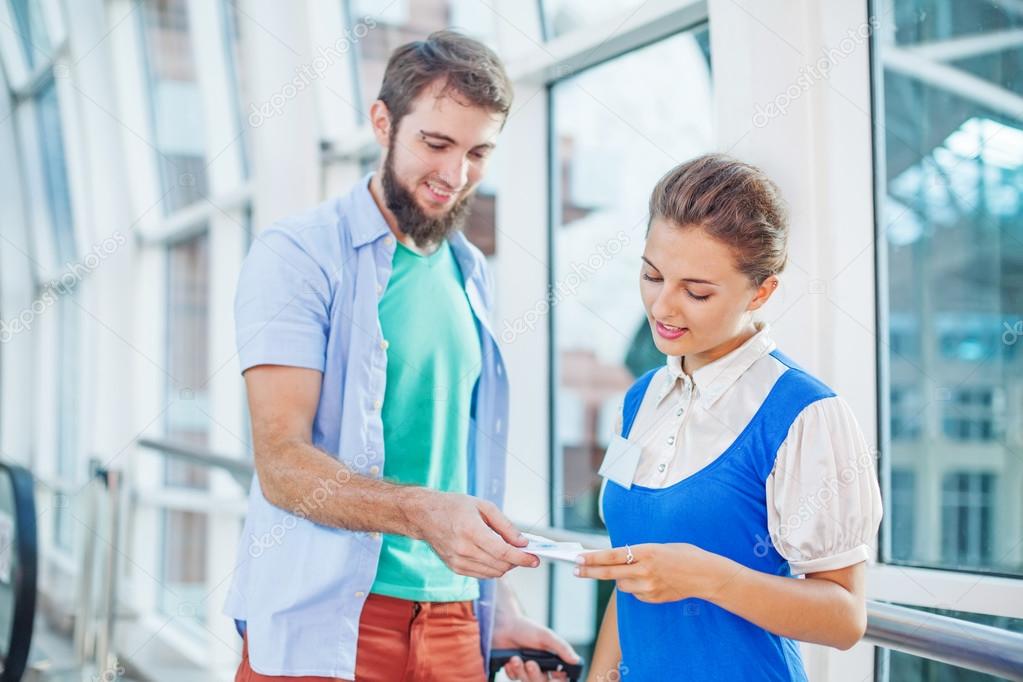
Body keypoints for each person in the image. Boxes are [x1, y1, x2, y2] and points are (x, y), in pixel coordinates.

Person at [225, 30, 578, 682]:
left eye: (478, 152)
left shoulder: (470, 272)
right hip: (331, 615)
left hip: (452, 620)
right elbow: (282, 464)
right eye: (435, 144)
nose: (455, 174)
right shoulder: (298, 255)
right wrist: (421, 513)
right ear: (382, 122)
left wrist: (499, 611)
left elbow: (455, 464)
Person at [576, 154, 883, 681]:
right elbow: (631, 579)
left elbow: (845, 618)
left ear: (761, 291)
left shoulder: (805, 414)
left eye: (696, 291)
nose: (663, 307)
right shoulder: (643, 398)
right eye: (652, 275)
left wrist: (707, 578)